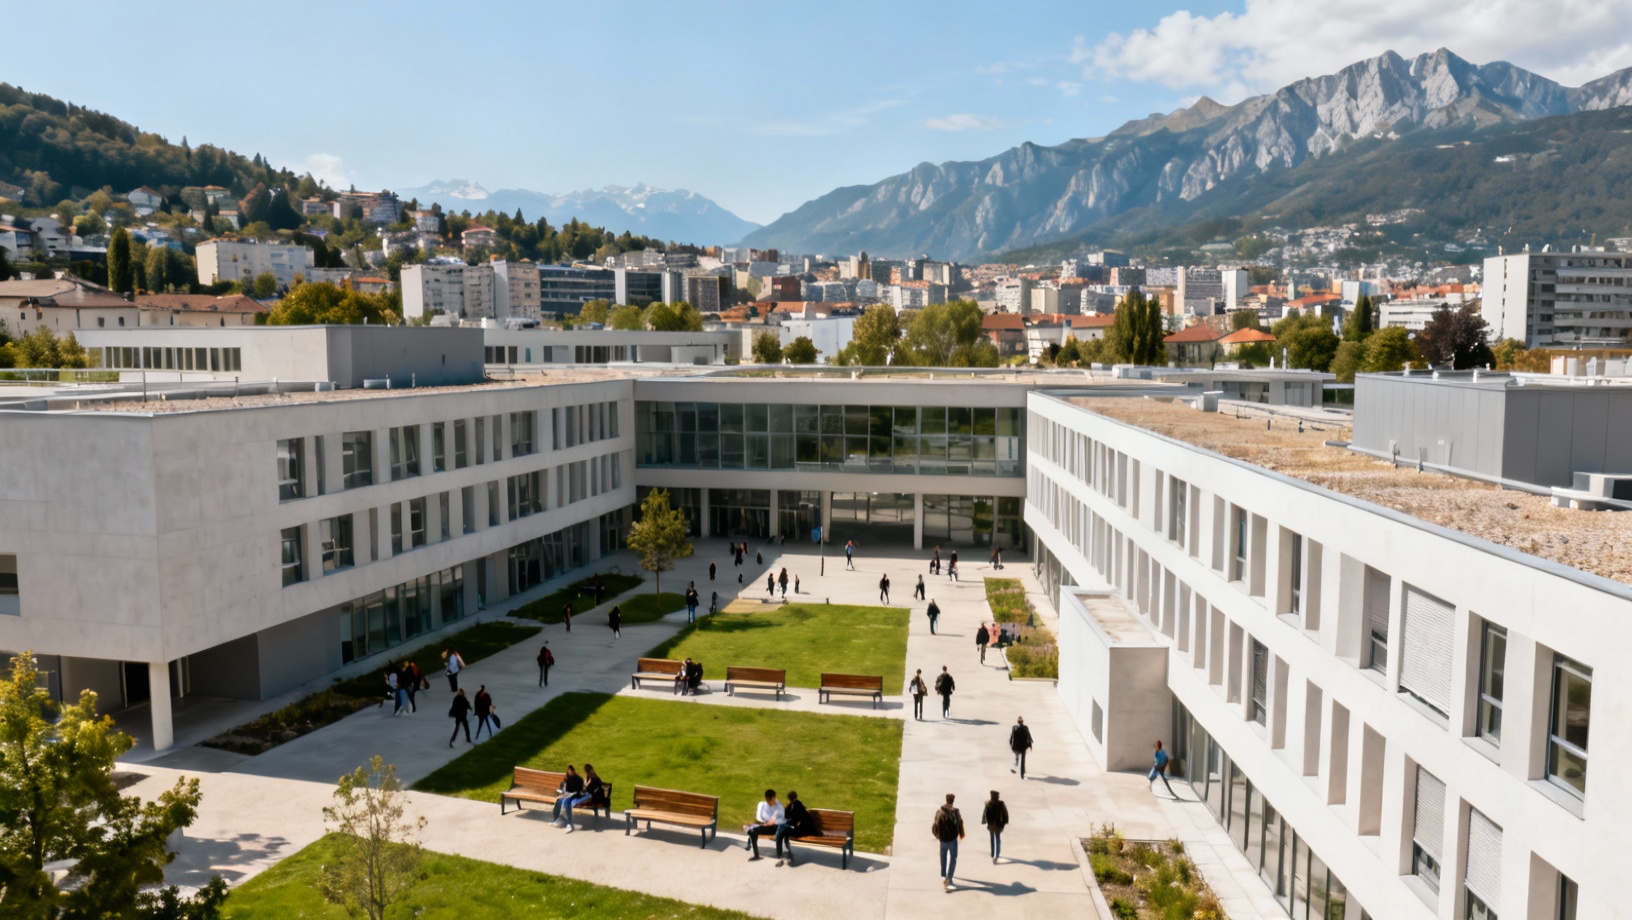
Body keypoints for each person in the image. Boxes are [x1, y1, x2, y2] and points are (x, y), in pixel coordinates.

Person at [932, 793, 965, 892]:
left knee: (943, 857)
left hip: (943, 840)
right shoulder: (956, 812)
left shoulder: (940, 812)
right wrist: (961, 834)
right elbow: (960, 823)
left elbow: (935, 826)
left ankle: (943, 876)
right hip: (953, 840)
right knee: (953, 858)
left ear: (946, 800)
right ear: (953, 801)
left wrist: (938, 837)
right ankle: (949, 878)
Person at [558, 763, 605, 832]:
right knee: (567, 800)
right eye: (587, 772)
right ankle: (564, 819)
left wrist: (586, 787)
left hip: (590, 796)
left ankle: (568, 822)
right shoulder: (589, 778)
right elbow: (584, 787)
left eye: (588, 771)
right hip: (584, 794)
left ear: (591, 771)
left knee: (572, 803)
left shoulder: (595, 779)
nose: (587, 773)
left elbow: (595, 790)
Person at [744, 789, 785, 861]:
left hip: (775, 828)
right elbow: (759, 819)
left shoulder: (779, 807)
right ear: (766, 798)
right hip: (765, 827)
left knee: (753, 831)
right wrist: (754, 824)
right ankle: (756, 855)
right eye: (769, 800)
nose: (770, 801)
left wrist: (767, 823)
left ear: (774, 797)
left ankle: (779, 854)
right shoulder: (762, 805)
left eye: (772, 799)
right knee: (751, 830)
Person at [774, 790, 810, 867]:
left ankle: (780, 855)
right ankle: (786, 854)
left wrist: (790, 823)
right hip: (792, 827)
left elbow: (799, 820)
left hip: (799, 829)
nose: (791, 800)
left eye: (791, 798)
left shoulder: (799, 806)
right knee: (782, 830)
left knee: (781, 832)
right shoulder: (791, 806)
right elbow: (786, 816)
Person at [981, 791, 1009, 864]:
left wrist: (984, 821)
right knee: (996, 839)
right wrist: (1005, 822)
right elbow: (1005, 813)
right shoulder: (998, 804)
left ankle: (994, 853)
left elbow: (1004, 813)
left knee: (994, 839)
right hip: (996, 824)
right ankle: (995, 853)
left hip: (995, 824)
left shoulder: (996, 804)